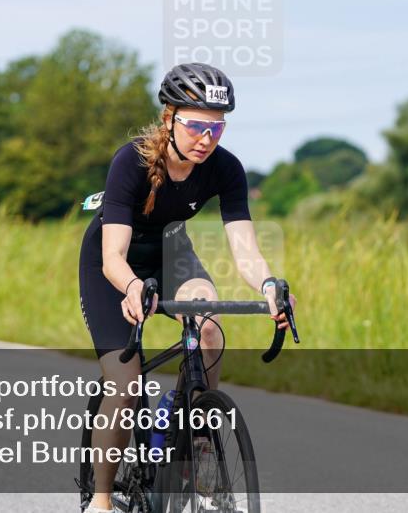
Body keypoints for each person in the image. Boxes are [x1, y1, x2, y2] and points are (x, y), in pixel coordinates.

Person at [77, 62, 297, 513]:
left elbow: (246, 252)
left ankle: (195, 444)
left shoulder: (227, 169)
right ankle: (100, 499)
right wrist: (134, 287)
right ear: (169, 118)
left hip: (172, 253)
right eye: (197, 126)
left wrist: (270, 284)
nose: (206, 139)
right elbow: (113, 258)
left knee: (210, 326)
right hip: (113, 263)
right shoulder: (132, 161)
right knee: (125, 385)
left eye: (217, 129)